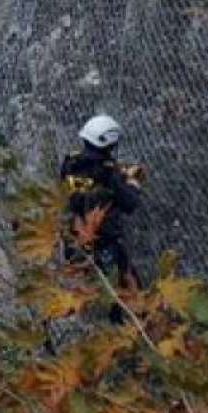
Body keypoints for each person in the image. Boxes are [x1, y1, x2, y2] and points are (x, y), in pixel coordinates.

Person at [59, 114, 145, 316]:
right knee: (125, 293)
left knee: (94, 292)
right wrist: (132, 184)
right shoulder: (108, 172)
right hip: (105, 244)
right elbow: (129, 204)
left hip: (75, 240)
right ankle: (131, 330)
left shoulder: (70, 164)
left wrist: (118, 174)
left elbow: (91, 183)